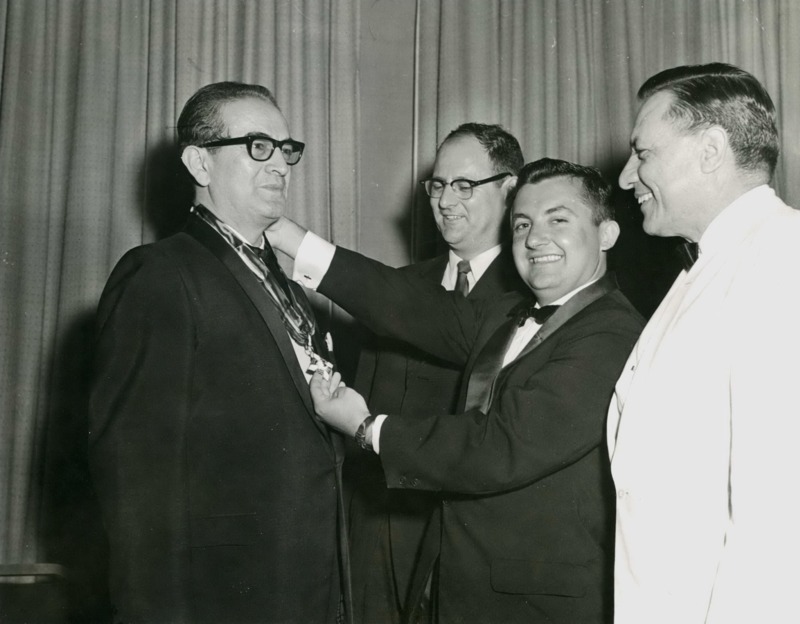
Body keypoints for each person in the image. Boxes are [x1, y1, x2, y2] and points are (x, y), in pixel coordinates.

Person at [269, 157, 645, 624]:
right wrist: (286, 236)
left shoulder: (614, 334)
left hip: (538, 605)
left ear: (607, 234)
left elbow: (499, 447)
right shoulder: (504, 313)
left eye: (558, 220)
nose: (534, 238)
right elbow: (400, 301)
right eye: (522, 224)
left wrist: (366, 428)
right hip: (457, 586)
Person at [88, 82, 349, 624]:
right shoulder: (160, 274)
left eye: (286, 149)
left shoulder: (287, 285)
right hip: (222, 597)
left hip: (306, 587)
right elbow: (134, 477)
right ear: (199, 163)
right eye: (258, 146)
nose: (280, 164)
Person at [608, 63, 800, 624]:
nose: (625, 177)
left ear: (711, 151)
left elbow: (777, 518)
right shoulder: (707, 266)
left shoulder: (782, 259)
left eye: (643, 154)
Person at [349, 122, 526, 624]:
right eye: (439, 185)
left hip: (462, 543)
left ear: (509, 189)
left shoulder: (527, 297)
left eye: (464, 185)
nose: (446, 201)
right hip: (375, 532)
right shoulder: (396, 289)